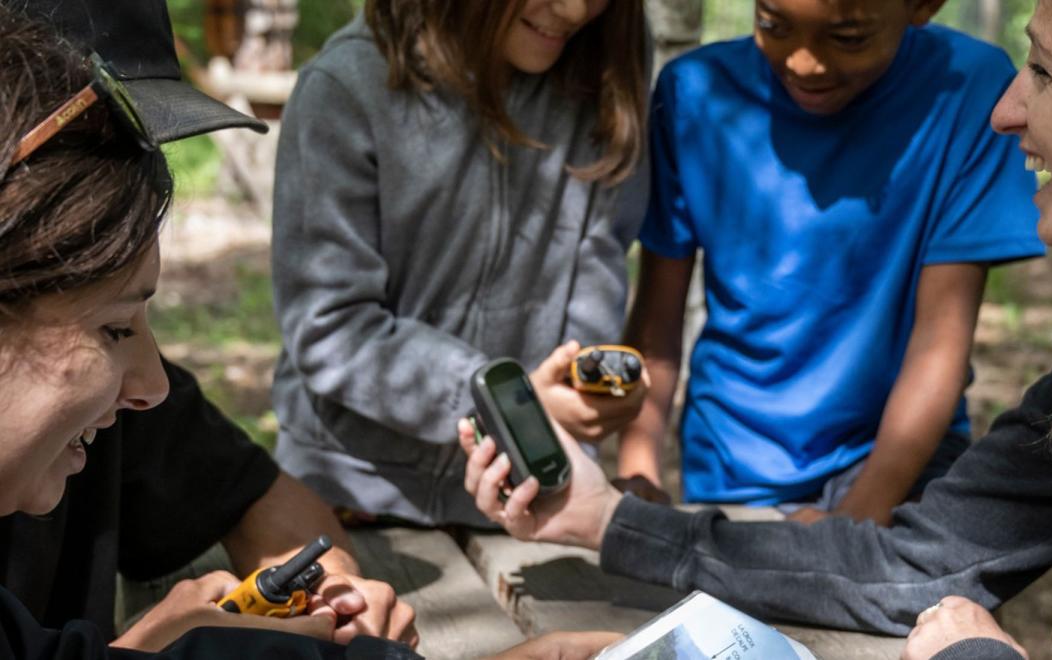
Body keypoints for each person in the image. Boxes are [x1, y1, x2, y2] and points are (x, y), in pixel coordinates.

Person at [461, 0, 1052, 656]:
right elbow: (919, 561)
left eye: (1042, 69)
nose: (1007, 110)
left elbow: (937, 358)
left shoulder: (959, 96)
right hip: (740, 477)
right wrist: (605, 514)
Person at [0, 5, 624, 660]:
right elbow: (336, 327)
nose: (151, 385)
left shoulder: (116, 414)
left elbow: (250, 492)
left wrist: (336, 603)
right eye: (113, 326)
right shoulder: (352, 86)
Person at [0, 0, 418, 648]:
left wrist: (330, 596)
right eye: (95, 142)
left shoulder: (104, 398)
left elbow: (264, 504)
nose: (138, 180)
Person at [615, 0, 1043, 522]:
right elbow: (656, 323)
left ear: (923, 6)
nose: (804, 63)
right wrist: (640, 469)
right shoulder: (695, 95)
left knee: (933, 602)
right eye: (773, 25)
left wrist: (848, 527)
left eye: (848, 38)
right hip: (738, 470)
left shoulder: (970, 92)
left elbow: (940, 342)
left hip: (900, 456)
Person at [269, 0, 652, 527]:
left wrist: (579, 392)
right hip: (350, 498)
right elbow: (331, 325)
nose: (574, 9)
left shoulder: (602, 74)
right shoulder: (346, 86)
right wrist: (509, 406)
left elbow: (599, 274)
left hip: (525, 503)